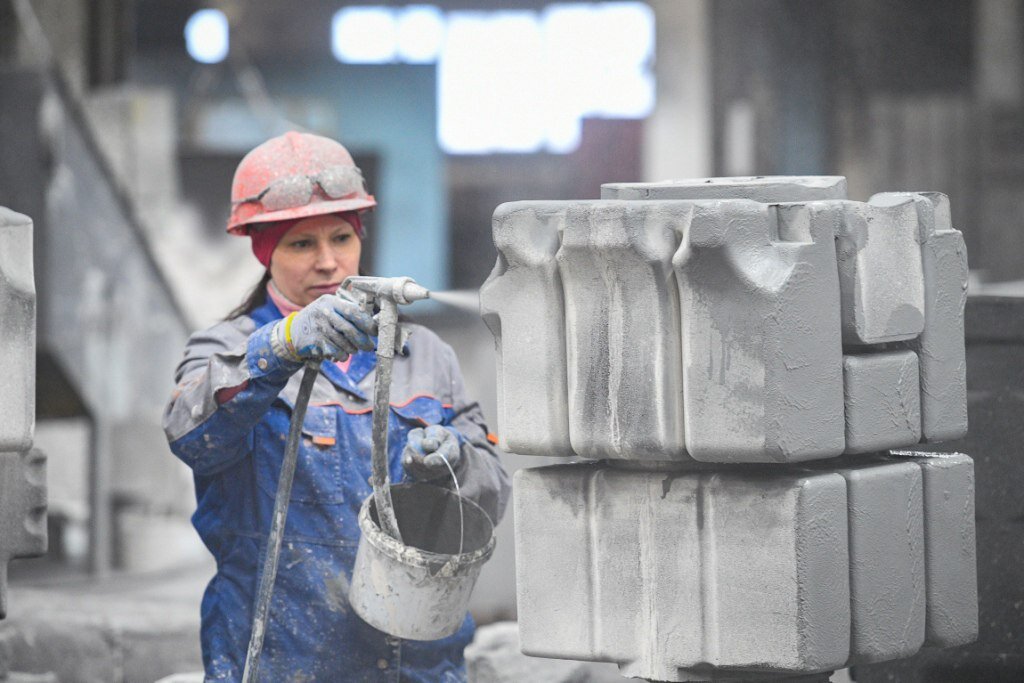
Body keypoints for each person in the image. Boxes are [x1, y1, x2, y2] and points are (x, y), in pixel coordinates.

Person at [163, 131, 510, 682]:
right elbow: (190, 436)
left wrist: (455, 462)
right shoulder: (226, 350)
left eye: (342, 237)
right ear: (264, 251)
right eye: (301, 244)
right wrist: (281, 346)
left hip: (416, 661)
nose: (329, 262)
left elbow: (491, 495)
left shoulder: (424, 355)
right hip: (283, 660)